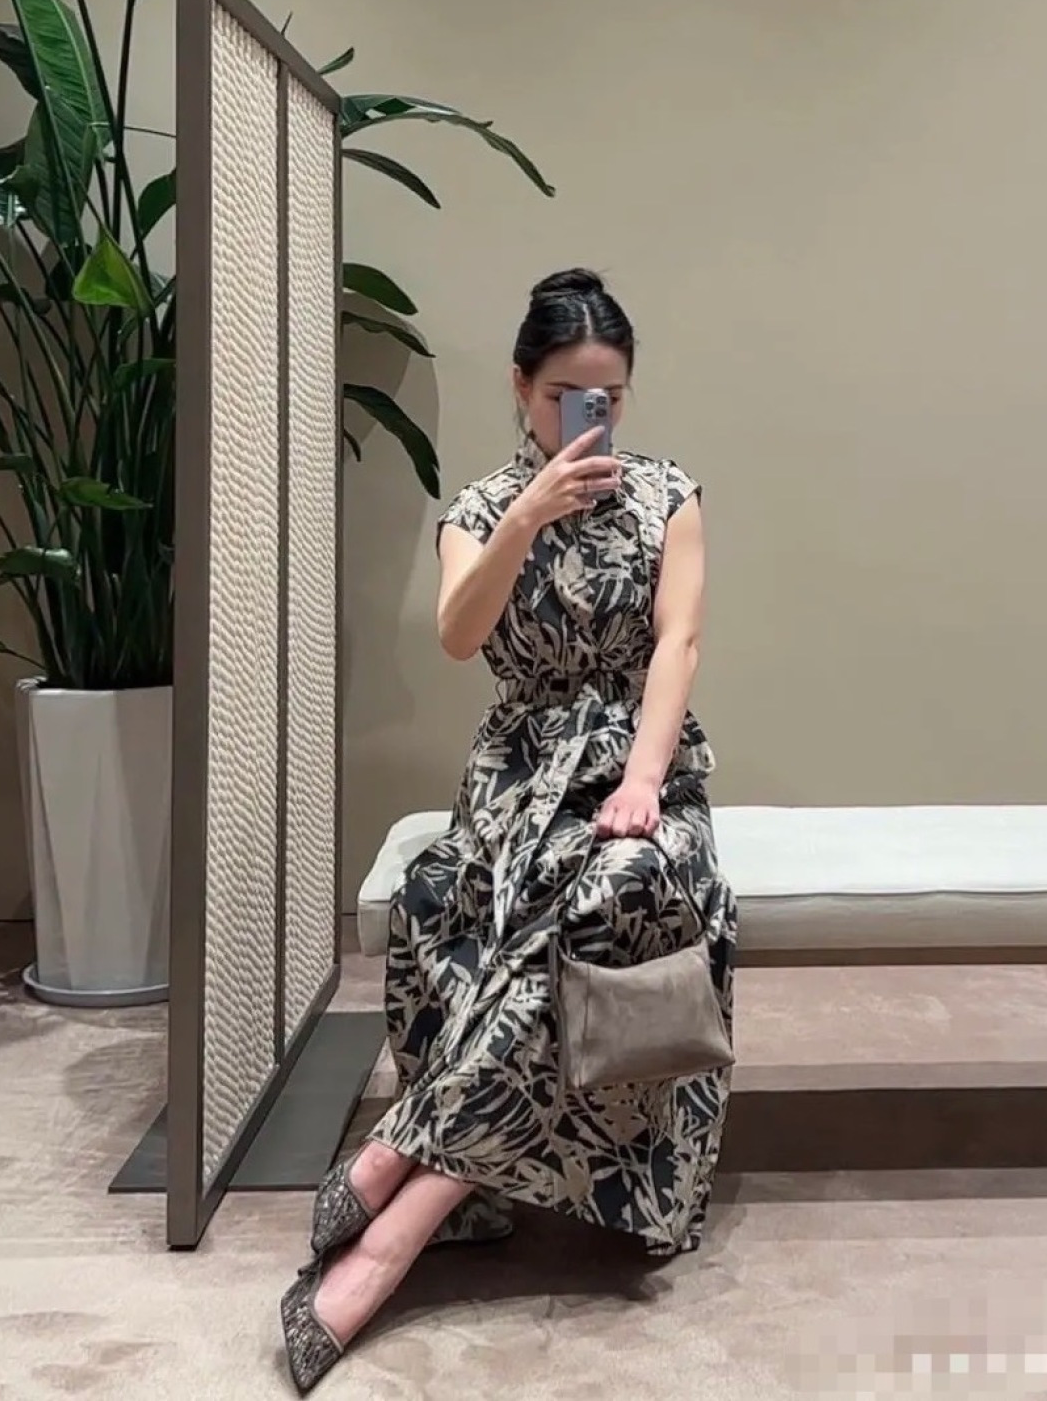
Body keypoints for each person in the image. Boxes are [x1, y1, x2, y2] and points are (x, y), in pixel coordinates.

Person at [279, 268, 738, 1394]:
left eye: (609, 396)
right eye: (567, 395)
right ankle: (446, 1182)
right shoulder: (481, 510)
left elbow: (676, 646)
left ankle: (401, 1194)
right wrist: (530, 514)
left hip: (641, 769)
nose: (590, 415)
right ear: (522, 389)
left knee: (613, 896)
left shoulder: (669, 495)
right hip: (519, 775)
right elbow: (457, 633)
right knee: (445, 898)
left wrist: (642, 783)